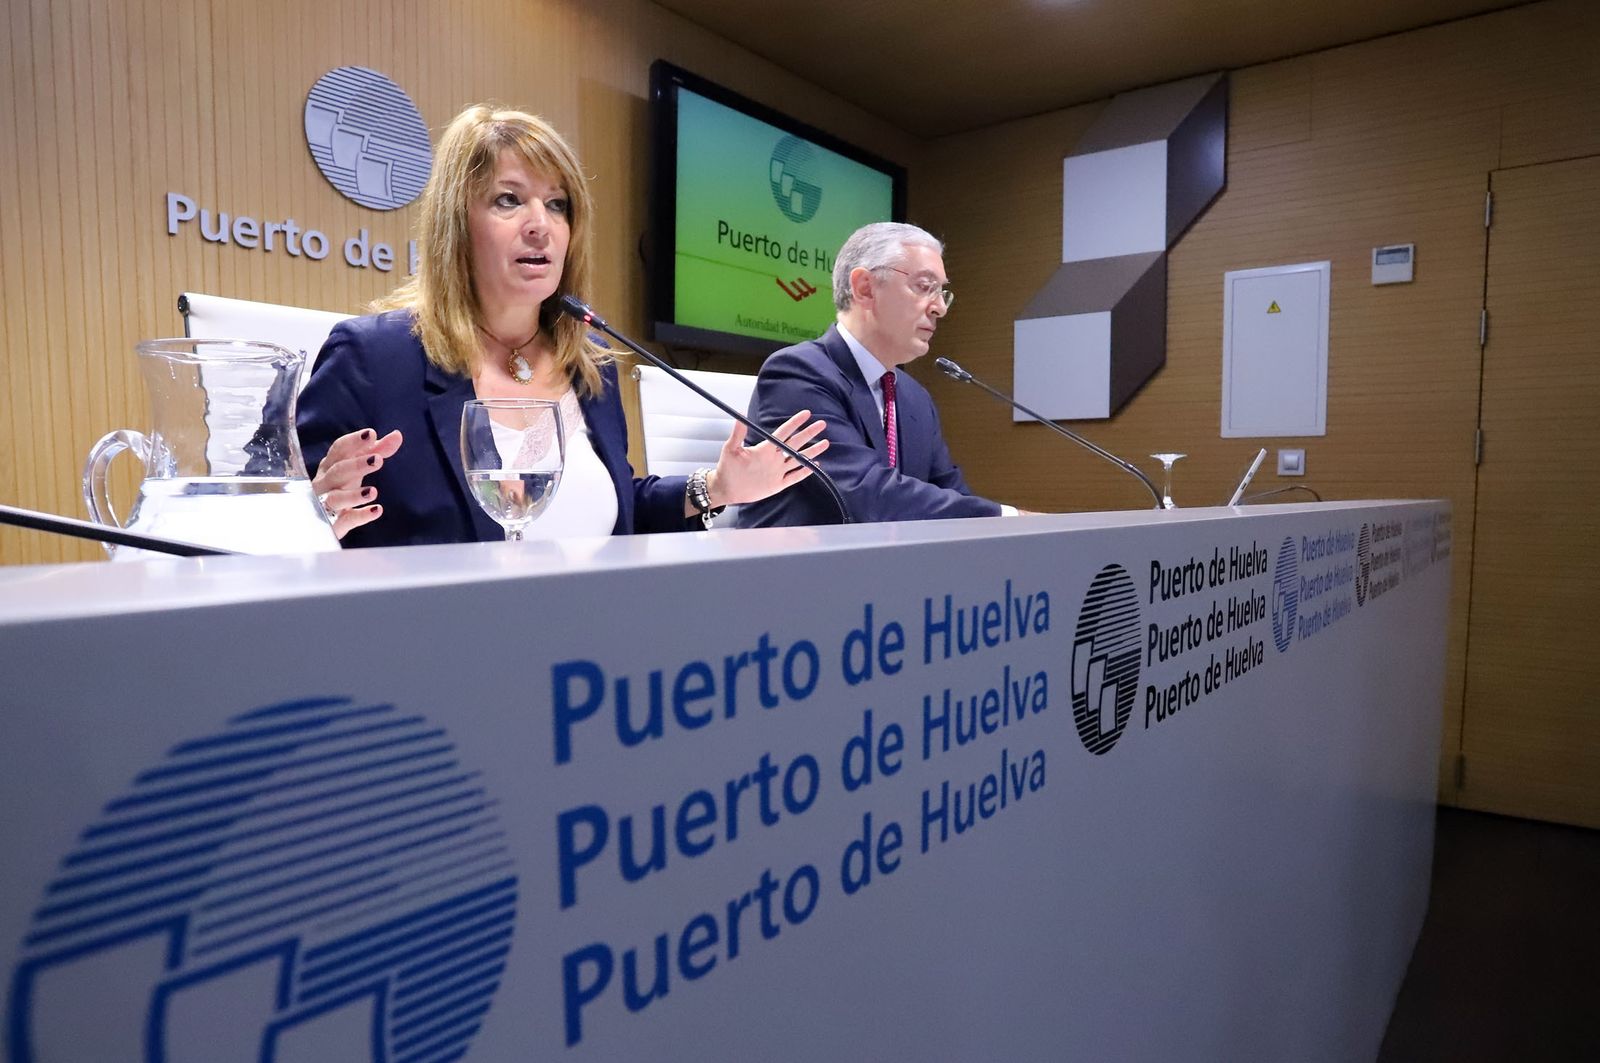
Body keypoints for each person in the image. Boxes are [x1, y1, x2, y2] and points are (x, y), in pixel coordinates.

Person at [298, 105, 827, 547]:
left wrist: (716, 487)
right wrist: (315, 508)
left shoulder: (588, 361)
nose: (540, 224)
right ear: (457, 223)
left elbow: (617, 516)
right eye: (508, 199)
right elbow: (285, 528)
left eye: (557, 205)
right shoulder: (372, 360)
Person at [736, 222, 1014, 528]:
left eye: (941, 292)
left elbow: (952, 493)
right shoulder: (797, 374)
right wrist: (1007, 517)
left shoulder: (915, 398)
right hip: (799, 571)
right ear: (865, 288)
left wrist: (1000, 526)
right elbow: (867, 495)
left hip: (889, 569)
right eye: (924, 286)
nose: (939, 308)